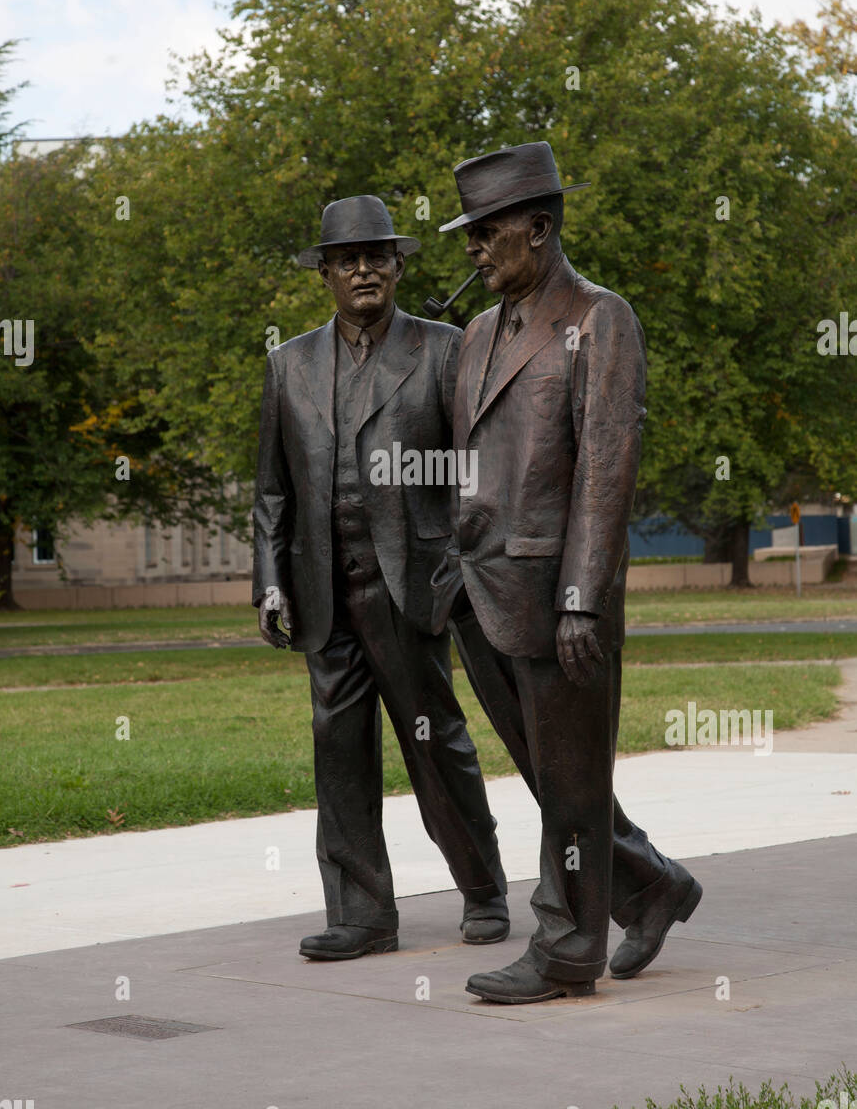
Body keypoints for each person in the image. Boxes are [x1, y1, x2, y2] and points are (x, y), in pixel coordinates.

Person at [433, 142, 702, 1003]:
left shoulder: (601, 319)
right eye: (468, 235)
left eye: (486, 233)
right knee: (559, 780)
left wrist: (584, 596)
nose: (473, 250)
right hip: (481, 593)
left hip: (560, 598)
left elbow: (605, 467)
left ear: (539, 230)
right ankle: (651, 885)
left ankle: (567, 944)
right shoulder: (476, 334)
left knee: (573, 780)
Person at [252, 195, 510, 961]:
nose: (362, 269)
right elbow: (272, 491)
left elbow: (478, 469)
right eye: (346, 260)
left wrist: (464, 563)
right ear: (325, 274)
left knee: (436, 744)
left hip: (412, 586)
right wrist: (270, 579)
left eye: (376, 257)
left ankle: (484, 888)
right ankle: (362, 914)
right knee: (339, 753)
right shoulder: (288, 365)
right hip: (322, 593)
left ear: (398, 266)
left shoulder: (445, 348)